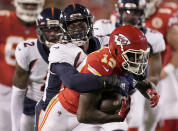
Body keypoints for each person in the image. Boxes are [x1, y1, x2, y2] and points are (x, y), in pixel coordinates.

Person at [38, 25, 160, 131]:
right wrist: (119, 117)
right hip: (65, 113)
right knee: (115, 104)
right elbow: (84, 115)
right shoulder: (99, 64)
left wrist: (149, 91)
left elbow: (134, 80)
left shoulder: (123, 61)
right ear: (117, 51)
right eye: (134, 56)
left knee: (118, 120)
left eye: (141, 56)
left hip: (89, 118)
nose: (138, 61)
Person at [35, 4, 131, 131]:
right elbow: (72, 81)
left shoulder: (105, 42)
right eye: (72, 26)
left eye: (81, 25)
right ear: (64, 29)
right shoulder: (60, 49)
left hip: (89, 107)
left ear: (90, 24)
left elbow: (129, 64)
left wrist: (126, 82)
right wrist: (110, 81)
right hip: (56, 110)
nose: (77, 30)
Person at [93, 0, 165, 130]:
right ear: (119, 11)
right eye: (126, 11)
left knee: (142, 115)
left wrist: (132, 83)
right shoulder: (103, 28)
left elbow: (153, 76)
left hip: (134, 83)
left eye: (135, 12)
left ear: (143, 13)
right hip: (105, 81)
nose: (130, 16)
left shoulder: (152, 37)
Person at [10, 7, 62, 131]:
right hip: (32, 107)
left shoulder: (74, 50)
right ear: (39, 30)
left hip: (62, 105)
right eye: (47, 29)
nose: (52, 34)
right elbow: (18, 92)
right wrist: (15, 127)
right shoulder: (28, 51)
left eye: (56, 29)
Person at [144, 0, 178, 130]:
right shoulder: (122, 15)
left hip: (160, 75)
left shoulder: (166, 14)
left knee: (168, 113)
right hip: (134, 78)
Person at [0, 0, 44, 130]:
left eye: (33, 4)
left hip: (33, 91)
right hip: (4, 89)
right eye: (26, 4)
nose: (30, 7)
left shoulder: (47, 26)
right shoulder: (4, 20)